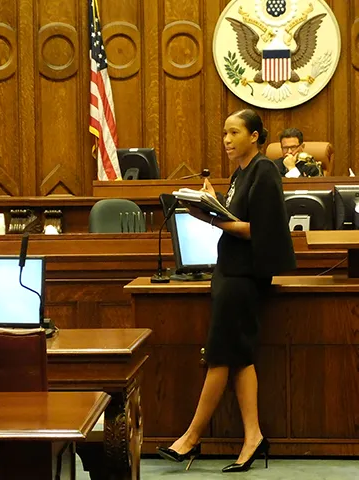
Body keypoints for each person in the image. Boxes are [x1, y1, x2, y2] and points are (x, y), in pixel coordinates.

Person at [158, 109, 295, 472]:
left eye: (234, 133)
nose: (227, 140)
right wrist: (214, 203)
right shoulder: (241, 174)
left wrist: (213, 218)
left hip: (244, 277)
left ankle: (190, 438)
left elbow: (259, 230)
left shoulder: (264, 171)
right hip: (229, 272)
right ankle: (253, 437)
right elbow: (235, 218)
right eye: (224, 134)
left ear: (255, 136)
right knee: (240, 357)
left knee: (219, 355)